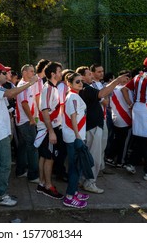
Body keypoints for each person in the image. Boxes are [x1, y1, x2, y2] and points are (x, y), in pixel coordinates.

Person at [0, 63, 37, 206]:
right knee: (4, 165)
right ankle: (0, 195)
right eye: (4, 73)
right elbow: (11, 94)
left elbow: (8, 106)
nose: (7, 75)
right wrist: (30, 83)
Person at [76, 66, 128, 192]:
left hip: (91, 126)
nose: (92, 76)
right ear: (81, 77)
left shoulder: (85, 88)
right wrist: (116, 81)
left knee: (90, 155)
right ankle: (90, 182)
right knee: (94, 156)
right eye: (89, 74)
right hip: (92, 127)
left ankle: (83, 180)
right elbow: (102, 94)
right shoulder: (86, 88)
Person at [34, 61, 65, 200]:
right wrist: (51, 131)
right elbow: (45, 112)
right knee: (49, 158)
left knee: (44, 156)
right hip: (48, 129)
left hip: (48, 128)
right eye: (59, 71)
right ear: (53, 74)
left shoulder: (53, 88)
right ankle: (48, 185)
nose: (61, 73)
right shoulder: (48, 89)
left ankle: (41, 183)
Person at [62, 72, 89, 208]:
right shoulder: (72, 96)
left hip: (75, 136)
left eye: (81, 81)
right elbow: (73, 118)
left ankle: (74, 192)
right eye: (77, 81)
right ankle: (69, 197)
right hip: (74, 138)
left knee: (76, 166)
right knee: (75, 167)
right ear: (69, 83)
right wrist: (78, 137)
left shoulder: (74, 96)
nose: (80, 83)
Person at [15, 64, 39, 183]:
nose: (33, 74)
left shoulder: (26, 85)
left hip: (24, 120)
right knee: (33, 147)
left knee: (23, 146)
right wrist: (31, 119)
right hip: (25, 121)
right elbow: (24, 104)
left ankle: (20, 170)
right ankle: (33, 175)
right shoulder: (23, 86)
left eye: (33, 71)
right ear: (24, 72)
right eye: (31, 71)